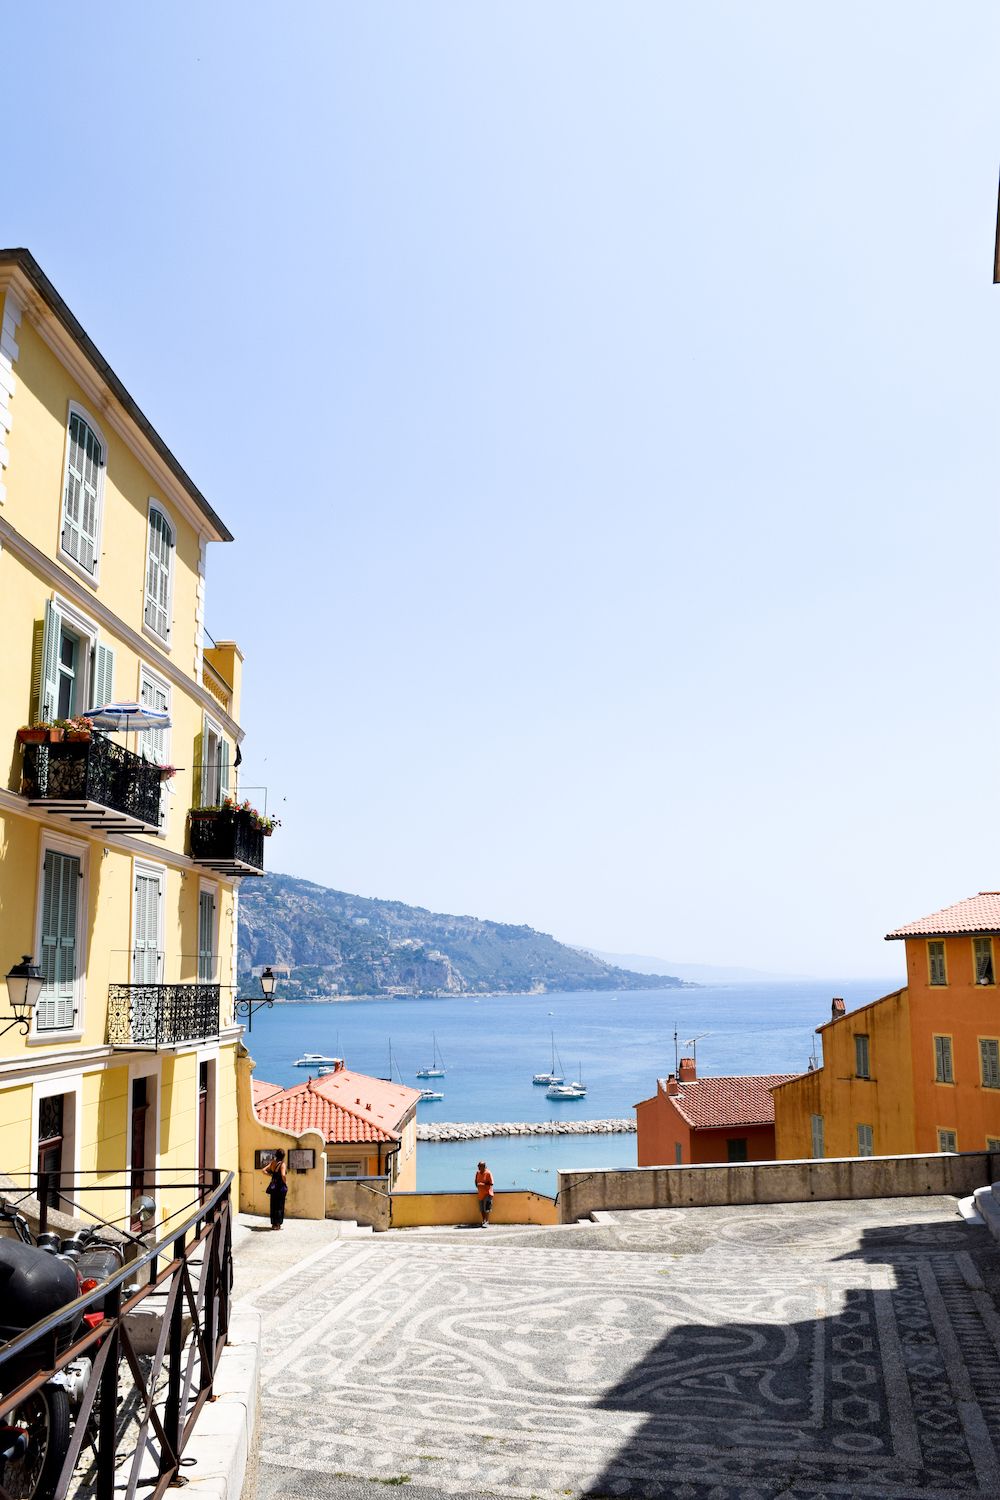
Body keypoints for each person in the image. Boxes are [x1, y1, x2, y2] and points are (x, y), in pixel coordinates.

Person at [263, 1149, 288, 1230]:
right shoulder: (282, 1164)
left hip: (273, 1187)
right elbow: (283, 1175)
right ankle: (278, 1224)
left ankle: (273, 1224)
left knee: (273, 1205)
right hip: (280, 1187)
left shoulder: (273, 1163)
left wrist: (272, 1175)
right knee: (280, 1205)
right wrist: (285, 1183)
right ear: (283, 1156)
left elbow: (263, 1170)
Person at [475, 1160, 494, 1228]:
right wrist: (477, 1186)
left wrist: (482, 1184)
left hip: (487, 1193)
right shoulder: (477, 1173)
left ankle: (486, 1221)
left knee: (487, 1208)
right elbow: (475, 1181)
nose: (478, 1167)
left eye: (479, 1166)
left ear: (484, 1166)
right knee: (482, 1209)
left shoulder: (488, 1173)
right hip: (480, 1193)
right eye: (478, 1166)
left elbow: (491, 1183)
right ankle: (483, 1221)